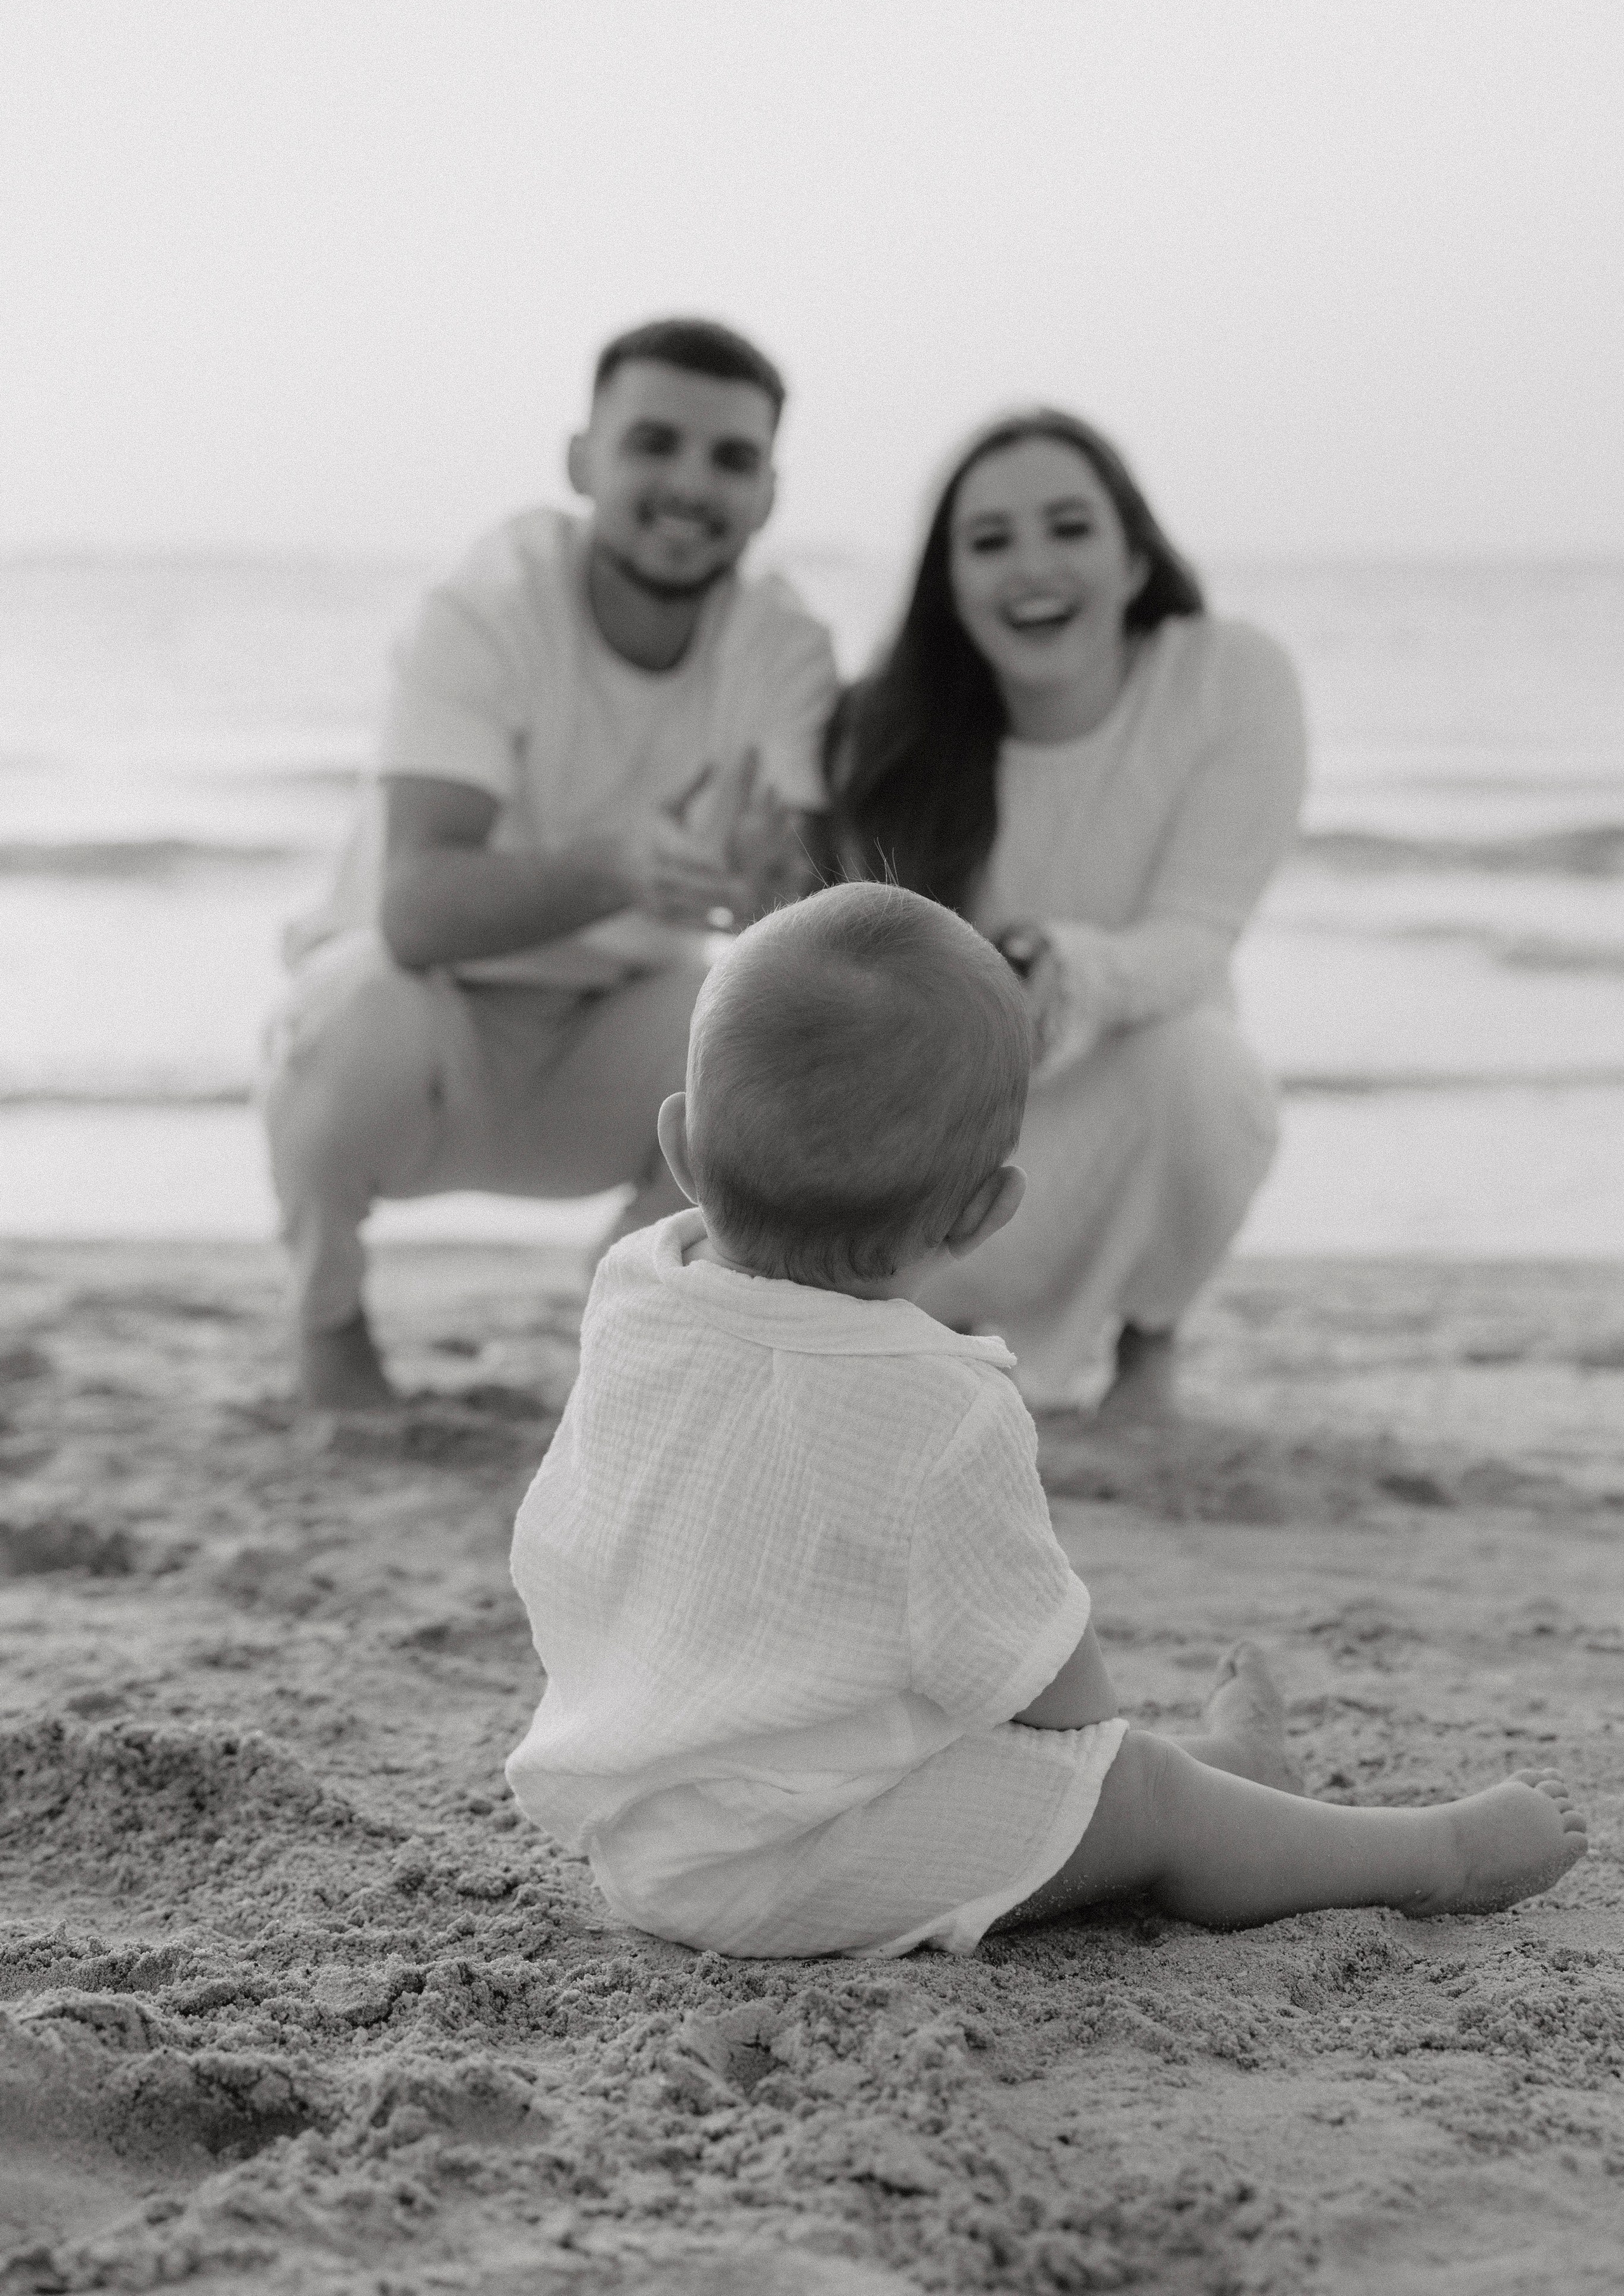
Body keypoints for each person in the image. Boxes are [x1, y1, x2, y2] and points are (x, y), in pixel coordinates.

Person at [504, 885, 1586, 1960]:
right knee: (1138, 1792)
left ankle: (1228, 1764)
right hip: (789, 1869)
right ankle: (1427, 1855)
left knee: (947, 1721)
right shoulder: (940, 1406)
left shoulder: (635, 1293)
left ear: (683, 1147)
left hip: (647, 1834)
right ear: (984, 1214)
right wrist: (1104, 1757)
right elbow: (1051, 1686)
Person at [261, 318, 839, 1407]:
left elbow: (783, 921)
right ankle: (330, 1329)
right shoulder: (488, 607)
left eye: (732, 459)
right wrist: (619, 866)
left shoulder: (785, 651)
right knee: (355, 1008)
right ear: (584, 461)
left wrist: (770, 894)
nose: (689, 484)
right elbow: (416, 912)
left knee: (775, 1028)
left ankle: (625, 1316)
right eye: (653, 443)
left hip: (608, 1052)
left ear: (767, 494)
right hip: (421, 1041)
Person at [825, 410, 1309, 1419]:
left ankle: (1149, 1346)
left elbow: (1197, 935)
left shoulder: (1229, 679)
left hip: (1134, 1106)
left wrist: (1065, 972)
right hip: (948, 1146)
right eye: (990, 542)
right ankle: (939, 1332)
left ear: (1135, 557)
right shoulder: (885, 734)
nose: (1032, 566)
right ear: (949, 587)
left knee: (1208, 1071)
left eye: (1069, 528)